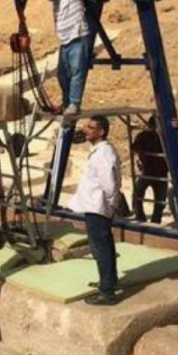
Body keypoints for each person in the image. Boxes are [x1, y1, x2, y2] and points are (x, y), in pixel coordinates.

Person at [68, 116, 121, 306]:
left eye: (91, 127)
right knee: (104, 245)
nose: (86, 130)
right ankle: (110, 281)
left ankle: (106, 292)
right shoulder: (99, 150)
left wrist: (109, 202)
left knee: (101, 248)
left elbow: (109, 182)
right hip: (95, 204)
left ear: (101, 132)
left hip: (98, 206)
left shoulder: (103, 153)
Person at [42, 0, 92, 116]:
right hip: (65, 41)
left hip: (78, 36)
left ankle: (74, 104)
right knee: (62, 75)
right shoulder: (55, 0)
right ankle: (66, 102)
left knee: (76, 72)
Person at [132, 116, 168, 224]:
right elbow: (134, 147)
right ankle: (142, 216)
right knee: (140, 193)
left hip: (157, 171)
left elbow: (134, 147)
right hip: (151, 170)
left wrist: (141, 155)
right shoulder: (145, 135)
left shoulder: (162, 136)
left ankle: (147, 217)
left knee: (158, 199)